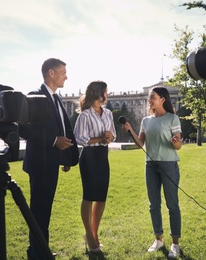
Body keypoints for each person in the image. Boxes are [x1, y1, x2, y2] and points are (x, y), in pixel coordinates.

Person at [19, 58, 79, 259]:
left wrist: (65, 157)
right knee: (39, 211)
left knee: (44, 211)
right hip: (40, 165)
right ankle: (37, 253)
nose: (66, 76)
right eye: (63, 72)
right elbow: (25, 129)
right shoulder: (35, 96)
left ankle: (39, 249)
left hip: (51, 163)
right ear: (51, 73)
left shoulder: (56, 97)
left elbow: (61, 128)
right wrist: (55, 141)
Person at [122, 87, 182, 258]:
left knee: (172, 205)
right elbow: (140, 144)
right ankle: (159, 239)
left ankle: (175, 244)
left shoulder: (173, 118)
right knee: (153, 205)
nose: (149, 100)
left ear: (162, 99)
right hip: (151, 166)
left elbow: (179, 145)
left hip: (169, 165)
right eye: (149, 98)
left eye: (152, 97)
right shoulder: (146, 121)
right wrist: (130, 130)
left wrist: (175, 141)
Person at [73, 81, 115, 253]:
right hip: (89, 157)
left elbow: (113, 134)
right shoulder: (84, 116)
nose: (108, 94)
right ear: (99, 94)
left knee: (101, 197)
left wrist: (109, 137)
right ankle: (89, 236)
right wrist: (100, 138)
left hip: (103, 156)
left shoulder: (109, 114)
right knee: (89, 196)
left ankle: (94, 234)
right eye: (106, 91)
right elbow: (79, 139)